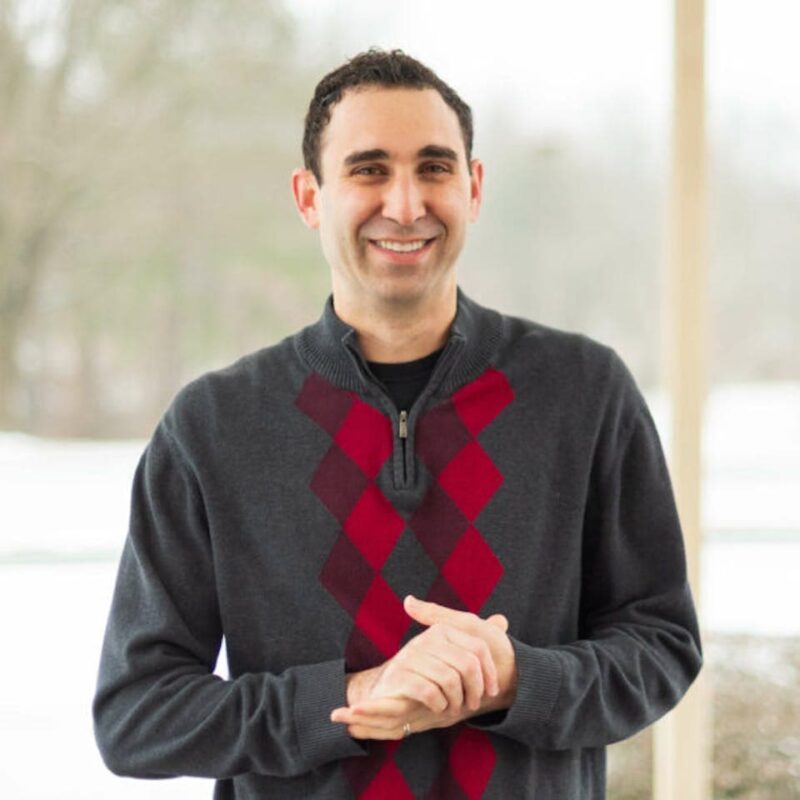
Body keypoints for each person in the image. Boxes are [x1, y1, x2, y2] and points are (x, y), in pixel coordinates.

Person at [93, 48, 702, 799]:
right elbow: (136, 716)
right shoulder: (212, 427)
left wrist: (518, 680)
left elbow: (662, 645)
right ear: (309, 197)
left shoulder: (584, 391)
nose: (407, 205)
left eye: (435, 168)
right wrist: (349, 699)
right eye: (369, 169)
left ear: (473, 188)